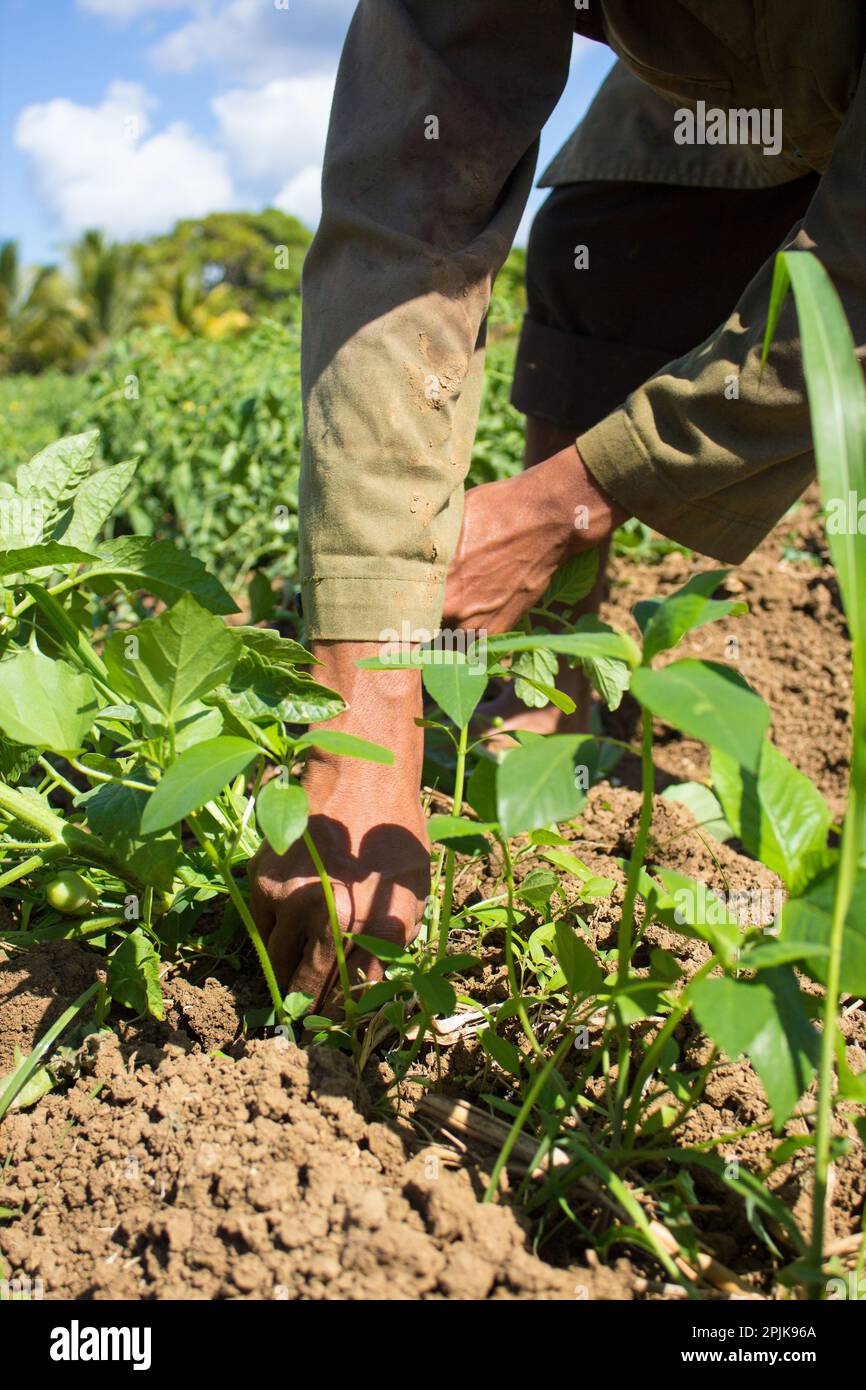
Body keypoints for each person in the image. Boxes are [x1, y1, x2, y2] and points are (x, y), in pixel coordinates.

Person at [250, 0, 865, 1008]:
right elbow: (402, 219)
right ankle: (561, 688)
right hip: (748, 71)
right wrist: (365, 691)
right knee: (609, 211)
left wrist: (567, 502)